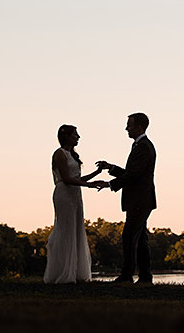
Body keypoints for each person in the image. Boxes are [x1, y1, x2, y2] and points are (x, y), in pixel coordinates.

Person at [97, 112, 157, 285]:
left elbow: (134, 175)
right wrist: (112, 168)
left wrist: (110, 184)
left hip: (140, 200)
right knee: (141, 239)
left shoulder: (144, 147)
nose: (126, 128)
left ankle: (127, 275)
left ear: (139, 127)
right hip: (141, 200)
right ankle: (145, 277)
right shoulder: (139, 146)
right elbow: (131, 173)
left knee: (129, 236)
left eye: (129, 125)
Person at [43, 124, 108, 284]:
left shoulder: (73, 155)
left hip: (75, 195)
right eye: (75, 134)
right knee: (65, 229)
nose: (78, 137)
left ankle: (75, 271)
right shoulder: (59, 154)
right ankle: (62, 272)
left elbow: (77, 179)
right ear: (66, 136)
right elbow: (66, 179)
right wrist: (90, 185)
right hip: (64, 194)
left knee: (76, 228)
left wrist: (95, 175)